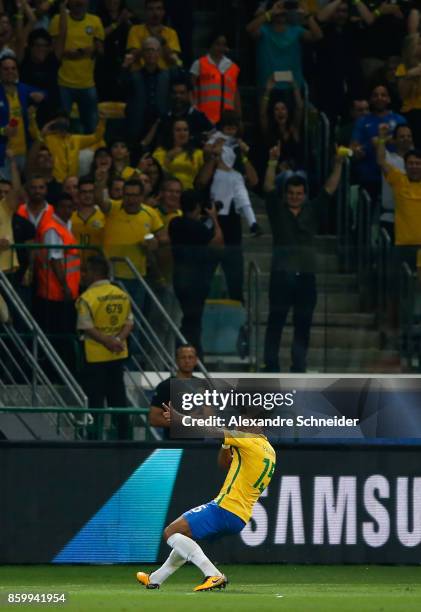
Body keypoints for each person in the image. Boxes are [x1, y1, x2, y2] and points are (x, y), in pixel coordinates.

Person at [136, 401, 276, 591]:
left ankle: (213, 574)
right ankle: (156, 578)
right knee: (184, 537)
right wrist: (228, 444)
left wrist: (180, 419)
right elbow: (224, 464)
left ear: (258, 423)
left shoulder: (248, 440)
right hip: (239, 516)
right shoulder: (269, 450)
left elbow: (210, 431)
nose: (240, 420)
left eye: (245, 417)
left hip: (225, 508)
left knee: (171, 532)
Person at [262, 146, 344, 372]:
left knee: (303, 324)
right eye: (291, 193)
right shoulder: (277, 210)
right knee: (276, 321)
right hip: (281, 274)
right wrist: (271, 162)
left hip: (307, 275)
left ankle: (298, 365)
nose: (295, 197)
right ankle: (270, 365)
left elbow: (329, 189)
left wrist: (338, 164)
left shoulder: (312, 210)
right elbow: (268, 187)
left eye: (299, 193)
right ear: (286, 194)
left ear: (304, 194)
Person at [76, 254, 133, 439]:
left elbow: (86, 326)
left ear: (93, 273)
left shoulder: (87, 298)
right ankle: (125, 438)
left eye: (84, 272)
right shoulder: (122, 294)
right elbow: (129, 323)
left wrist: (106, 341)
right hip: (117, 354)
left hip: (95, 356)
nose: (82, 276)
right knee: (119, 399)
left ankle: (94, 439)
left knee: (95, 400)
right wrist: (117, 341)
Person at [168, 190, 223, 358]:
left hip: (179, 278)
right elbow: (218, 242)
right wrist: (214, 218)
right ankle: (192, 354)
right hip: (196, 281)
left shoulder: (175, 223)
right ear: (198, 206)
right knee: (193, 321)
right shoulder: (198, 228)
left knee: (188, 318)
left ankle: (188, 353)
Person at [101, 178, 164, 307]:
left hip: (137, 275)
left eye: (135, 195)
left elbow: (163, 237)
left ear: (142, 196)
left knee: (136, 316)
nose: (131, 199)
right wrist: (99, 182)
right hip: (112, 274)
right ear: (123, 195)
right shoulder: (113, 207)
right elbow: (100, 201)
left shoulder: (150, 213)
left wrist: (154, 243)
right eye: (128, 195)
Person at [35, 192, 80, 368]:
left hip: (64, 291)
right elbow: (55, 259)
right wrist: (65, 286)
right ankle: (54, 371)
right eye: (63, 207)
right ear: (56, 207)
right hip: (54, 293)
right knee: (57, 334)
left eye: (70, 207)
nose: (67, 210)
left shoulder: (65, 225)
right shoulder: (53, 228)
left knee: (65, 333)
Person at [49, 0, 105, 134]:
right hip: (63, 83)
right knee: (61, 128)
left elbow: (101, 50)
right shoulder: (58, 19)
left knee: (92, 128)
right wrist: (67, 53)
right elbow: (52, 50)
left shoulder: (95, 20)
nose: (79, 2)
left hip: (87, 84)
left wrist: (93, 49)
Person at [246, 0, 322, 96]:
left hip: (293, 87)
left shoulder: (296, 30)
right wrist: (270, 12)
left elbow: (318, 35)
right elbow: (249, 30)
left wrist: (306, 15)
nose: (282, 11)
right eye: (279, 7)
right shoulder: (264, 30)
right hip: (268, 87)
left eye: (284, 8)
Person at [351, 84, 406, 204]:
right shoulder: (362, 121)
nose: (379, 98)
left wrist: (383, 140)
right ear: (370, 99)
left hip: (394, 175)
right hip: (368, 176)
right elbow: (354, 146)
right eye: (375, 95)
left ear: (389, 99)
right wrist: (357, 151)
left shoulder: (400, 120)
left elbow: (407, 144)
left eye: (383, 95)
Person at [30, 110, 106, 182]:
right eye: (60, 121)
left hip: (72, 182)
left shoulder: (76, 139)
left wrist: (102, 121)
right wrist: (34, 120)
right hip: (57, 181)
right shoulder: (49, 139)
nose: (63, 123)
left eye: (65, 120)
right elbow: (35, 136)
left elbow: (96, 137)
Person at [0, 55, 45, 177]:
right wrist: (3, 130)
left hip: (24, 151)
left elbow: (44, 93)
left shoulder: (22, 89)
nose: (10, 72)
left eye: (13, 68)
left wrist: (40, 96)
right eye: (6, 69)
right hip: (4, 153)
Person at [123, 36, 172, 145]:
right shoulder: (133, 76)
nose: (151, 53)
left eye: (154, 50)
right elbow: (120, 87)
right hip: (137, 124)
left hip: (161, 124)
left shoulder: (167, 75)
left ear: (159, 53)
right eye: (147, 50)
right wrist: (125, 66)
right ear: (142, 54)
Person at [146, 78, 213, 149]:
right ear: (170, 94)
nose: (178, 96)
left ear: (188, 95)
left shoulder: (198, 117)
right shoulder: (164, 118)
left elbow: (213, 134)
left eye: (182, 93)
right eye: (175, 93)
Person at [149, 344, 200, 436]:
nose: (187, 361)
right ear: (176, 361)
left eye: (190, 357)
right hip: (173, 444)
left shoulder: (202, 385)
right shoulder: (165, 386)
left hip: (198, 445)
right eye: (183, 357)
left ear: (196, 360)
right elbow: (154, 418)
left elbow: (210, 416)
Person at [190, 32, 241, 125]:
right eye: (217, 44)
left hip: (227, 119)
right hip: (204, 118)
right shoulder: (199, 64)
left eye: (223, 45)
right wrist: (193, 109)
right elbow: (190, 89)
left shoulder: (233, 67)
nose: (221, 48)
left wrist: (238, 117)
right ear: (211, 45)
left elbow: (235, 94)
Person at [375, 123, 414, 239]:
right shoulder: (389, 158)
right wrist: (382, 138)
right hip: (390, 217)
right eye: (402, 136)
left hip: (413, 218)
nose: (406, 139)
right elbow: (380, 160)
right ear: (394, 140)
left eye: (409, 136)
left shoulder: (417, 161)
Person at [19, 28, 60, 127]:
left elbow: (62, 34)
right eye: (38, 45)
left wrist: (44, 95)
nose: (42, 49)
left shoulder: (52, 60)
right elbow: (20, 39)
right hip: (26, 112)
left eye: (45, 46)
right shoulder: (23, 61)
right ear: (31, 47)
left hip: (49, 113)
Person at [126, 0, 181, 70]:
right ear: (145, 12)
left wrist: (162, 41)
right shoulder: (135, 30)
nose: (155, 13)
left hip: (163, 74)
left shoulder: (171, 33)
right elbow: (133, 57)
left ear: (163, 12)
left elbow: (174, 61)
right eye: (151, 9)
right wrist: (150, 40)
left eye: (158, 9)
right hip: (140, 73)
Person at [153, 119, 204, 190]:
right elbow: (156, 174)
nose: (182, 133)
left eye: (185, 130)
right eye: (178, 130)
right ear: (171, 133)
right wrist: (168, 157)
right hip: (166, 190)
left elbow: (202, 178)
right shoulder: (161, 151)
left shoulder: (198, 153)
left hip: (188, 192)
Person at [71, 175, 105, 266]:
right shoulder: (69, 218)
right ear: (78, 194)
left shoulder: (104, 216)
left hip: (97, 267)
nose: (87, 195)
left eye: (91, 192)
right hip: (74, 267)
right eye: (84, 192)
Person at [396, 33, 421, 147]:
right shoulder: (403, 68)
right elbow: (402, 95)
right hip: (412, 113)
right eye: (419, 43)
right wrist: (411, 74)